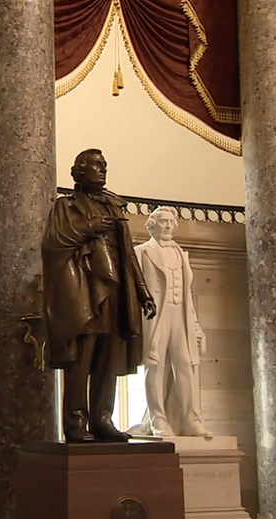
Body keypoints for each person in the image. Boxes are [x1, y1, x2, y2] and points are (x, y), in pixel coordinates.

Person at [42, 148, 156, 443]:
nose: (102, 170)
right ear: (79, 171)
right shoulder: (65, 206)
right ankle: (76, 423)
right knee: (81, 358)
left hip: (116, 289)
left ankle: (103, 419)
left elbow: (128, 253)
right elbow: (54, 243)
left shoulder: (115, 206)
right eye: (96, 166)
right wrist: (90, 228)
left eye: (104, 165)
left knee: (109, 357)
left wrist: (142, 292)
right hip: (85, 288)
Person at [133, 206, 210, 437]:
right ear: (152, 225)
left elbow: (187, 293)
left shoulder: (181, 253)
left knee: (185, 364)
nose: (167, 225)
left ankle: (191, 419)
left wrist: (196, 325)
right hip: (154, 315)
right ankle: (158, 419)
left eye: (171, 222)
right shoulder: (141, 252)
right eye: (163, 221)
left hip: (180, 315)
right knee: (154, 365)